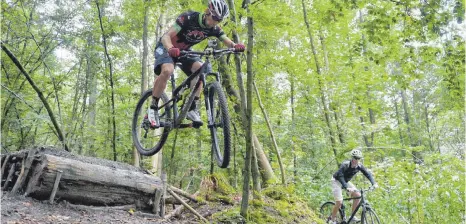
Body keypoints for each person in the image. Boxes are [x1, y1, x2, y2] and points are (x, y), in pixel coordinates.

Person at [149, 0, 245, 128]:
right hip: (167, 47)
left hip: (184, 51)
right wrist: (171, 48)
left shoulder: (214, 28)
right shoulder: (188, 18)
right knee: (167, 70)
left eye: (219, 19)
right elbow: (166, 36)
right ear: (207, 12)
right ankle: (153, 106)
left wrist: (235, 46)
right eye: (215, 17)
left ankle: (192, 107)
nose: (216, 22)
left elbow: (227, 40)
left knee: (200, 70)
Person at [328, 148, 378, 223]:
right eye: (355, 158)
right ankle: (332, 220)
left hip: (346, 181)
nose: (357, 160)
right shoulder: (345, 165)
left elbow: (368, 174)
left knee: (357, 195)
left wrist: (374, 183)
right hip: (336, 181)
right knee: (339, 202)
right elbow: (340, 176)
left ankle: (352, 217)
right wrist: (346, 187)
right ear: (352, 158)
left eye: (358, 158)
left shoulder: (359, 166)